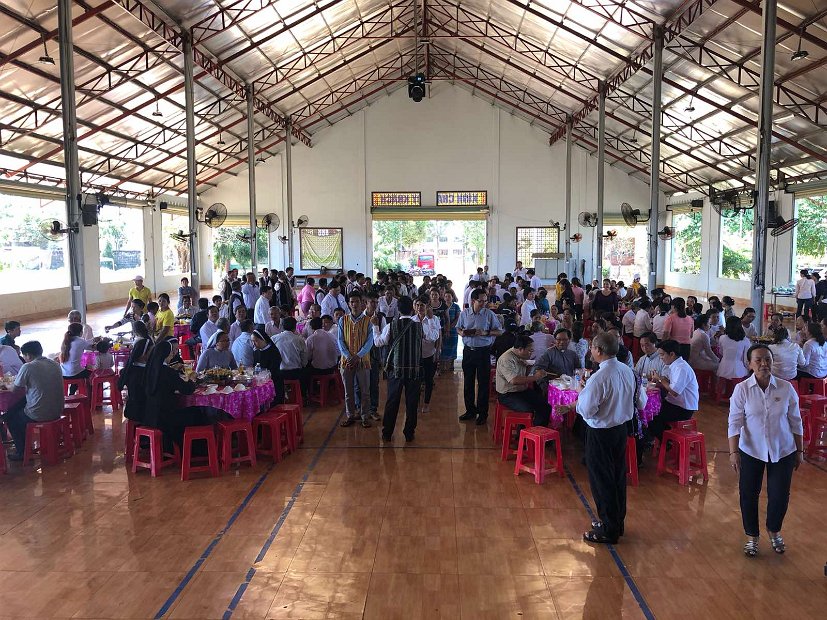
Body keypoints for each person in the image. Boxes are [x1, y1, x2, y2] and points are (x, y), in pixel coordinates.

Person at [557, 332, 646, 544]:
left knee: (602, 480)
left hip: (601, 432)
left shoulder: (599, 377)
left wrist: (581, 393)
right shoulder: (628, 371)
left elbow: (587, 410)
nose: (590, 351)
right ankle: (616, 522)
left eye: (592, 347)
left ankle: (608, 529)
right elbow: (640, 402)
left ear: (599, 350)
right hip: (620, 430)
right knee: (617, 476)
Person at [728, 344, 803, 557]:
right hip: (751, 450)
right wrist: (734, 452)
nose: (764, 364)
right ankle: (752, 536)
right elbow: (734, 422)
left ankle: (774, 530)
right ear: (749, 364)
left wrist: (800, 450)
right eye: (758, 360)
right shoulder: (742, 389)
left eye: (768, 360)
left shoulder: (785, 388)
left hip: (783, 450)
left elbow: (796, 421)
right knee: (748, 494)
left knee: (779, 495)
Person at [372, 296, 438, 442]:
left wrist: (375, 327)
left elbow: (378, 342)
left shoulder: (391, 326)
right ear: (412, 309)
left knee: (392, 401)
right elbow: (433, 337)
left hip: (396, 370)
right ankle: (409, 433)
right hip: (414, 370)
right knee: (412, 402)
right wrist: (431, 319)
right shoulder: (419, 326)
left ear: (398, 309)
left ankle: (387, 433)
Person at [3, 341, 64, 459]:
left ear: (28, 355)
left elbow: (15, 389)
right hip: (58, 410)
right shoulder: (54, 363)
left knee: (12, 420)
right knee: (20, 404)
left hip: (39, 414)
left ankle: (22, 452)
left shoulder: (28, 367)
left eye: (24, 356)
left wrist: (5, 386)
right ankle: (7, 418)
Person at [143, 339, 201, 449]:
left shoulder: (150, 369)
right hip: (166, 417)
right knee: (196, 413)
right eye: (171, 352)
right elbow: (187, 389)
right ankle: (192, 449)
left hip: (150, 415)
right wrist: (192, 379)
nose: (173, 355)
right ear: (166, 354)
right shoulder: (168, 372)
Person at [457, 289, 503, 425]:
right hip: (468, 351)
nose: (484, 303)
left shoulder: (489, 314)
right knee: (468, 382)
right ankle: (470, 410)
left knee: (483, 383)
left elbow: (499, 331)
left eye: (485, 301)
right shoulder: (465, 314)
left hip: (483, 352)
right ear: (473, 301)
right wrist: (462, 333)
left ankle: (482, 413)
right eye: (481, 301)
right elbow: (458, 328)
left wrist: (486, 332)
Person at [647, 340, 699, 443]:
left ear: (672, 354)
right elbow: (669, 385)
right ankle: (665, 438)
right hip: (674, 404)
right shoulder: (674, 365)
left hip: (683, 408)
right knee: (651, 411)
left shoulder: (681, 368)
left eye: (662, 355)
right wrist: (658, 382)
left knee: (651, 416)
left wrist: (660, 379)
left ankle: (668, 442)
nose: (660, 358)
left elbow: (674, 392)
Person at [337, 292, 374, 427]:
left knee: (365, 391)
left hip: (363, 361)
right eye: (352, 302)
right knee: (348, 391)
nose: (354, 304)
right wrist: (348, 356)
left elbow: (370, 341)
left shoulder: (368, 321)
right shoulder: (343, 320)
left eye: (357, 301)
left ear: (362, 303)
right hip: (346, 361)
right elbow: (340, 340)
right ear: (348, 304)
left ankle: (365, 416)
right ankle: (350, 415)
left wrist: (358, 356)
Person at [496, 334, 551, 425]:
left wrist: (529, 368)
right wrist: (536, 377)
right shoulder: (506, 359)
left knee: (545, 406)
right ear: (520, 349)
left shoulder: (521, 356)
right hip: (507, 394)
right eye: (530, 351)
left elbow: (523, 375)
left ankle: (537, 430)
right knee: (527, 410)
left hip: (522, 390)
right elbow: (514, 380)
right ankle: (523, 433)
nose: (531, 353)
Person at [414, 296, 441, 413]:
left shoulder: (434, 319)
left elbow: (437, 336)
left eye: (422, 305)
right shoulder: (412, 319)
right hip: (416, 356)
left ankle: (426, 403)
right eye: (418, 305)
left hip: (429, 353)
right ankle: (416, 403)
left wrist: (437, 351)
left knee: (429, 380)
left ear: (427, 306)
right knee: (416, 380)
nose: (420, 307)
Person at [273, 317, 310, 401]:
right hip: (295, 372)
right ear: (295, 327)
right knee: (307, 371)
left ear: (282, 326)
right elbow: (304, 359)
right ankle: (303, 396)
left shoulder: (274, 338)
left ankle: (281, 397)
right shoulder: (299, 339)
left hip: (280, 372)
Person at [118, 336, 152, 423]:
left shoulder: (131, 368)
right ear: (143, 354)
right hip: (142, 412)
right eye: (151, 351)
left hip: (132, 409)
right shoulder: (142, 372)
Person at [251, 329, 284, 405]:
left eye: (256, 341)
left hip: (274, 382)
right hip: (260, 383)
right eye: (252, 341)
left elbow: (274, 370)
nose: (254, 344)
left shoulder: (273, 351)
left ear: (263, 339)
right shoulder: (256, 352)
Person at [717, 316, 750, 380]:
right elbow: (746, 359)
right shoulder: (745, 341)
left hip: (723, 369)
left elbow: (721, 352)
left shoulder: (722, 338)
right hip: (739, 370)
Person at [440, 290, 460, 371]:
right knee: (443, 347)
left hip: (453, 330)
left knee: (452, 347)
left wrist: (450, 326)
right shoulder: (442, 306)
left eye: (449, 296)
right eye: (446, 296)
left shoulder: (456, 306)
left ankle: (451, 365)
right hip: (443, 329)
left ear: (452, 297)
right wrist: (445, 327)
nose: (447, 298)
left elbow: (458, 318)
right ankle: (442, 366)